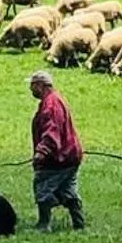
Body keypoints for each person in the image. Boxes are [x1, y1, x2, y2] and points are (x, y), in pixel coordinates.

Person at [27, 71, 86, 231]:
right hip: (70, 155)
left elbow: (52, 132)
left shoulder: (50, 105)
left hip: (58, 158)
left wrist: (42, 152)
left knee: (42, 187)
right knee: (68, 189)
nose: (30, 89)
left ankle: (44, 224)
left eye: (32, 85)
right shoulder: (55, 100)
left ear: (40, 85)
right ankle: (79, 223)